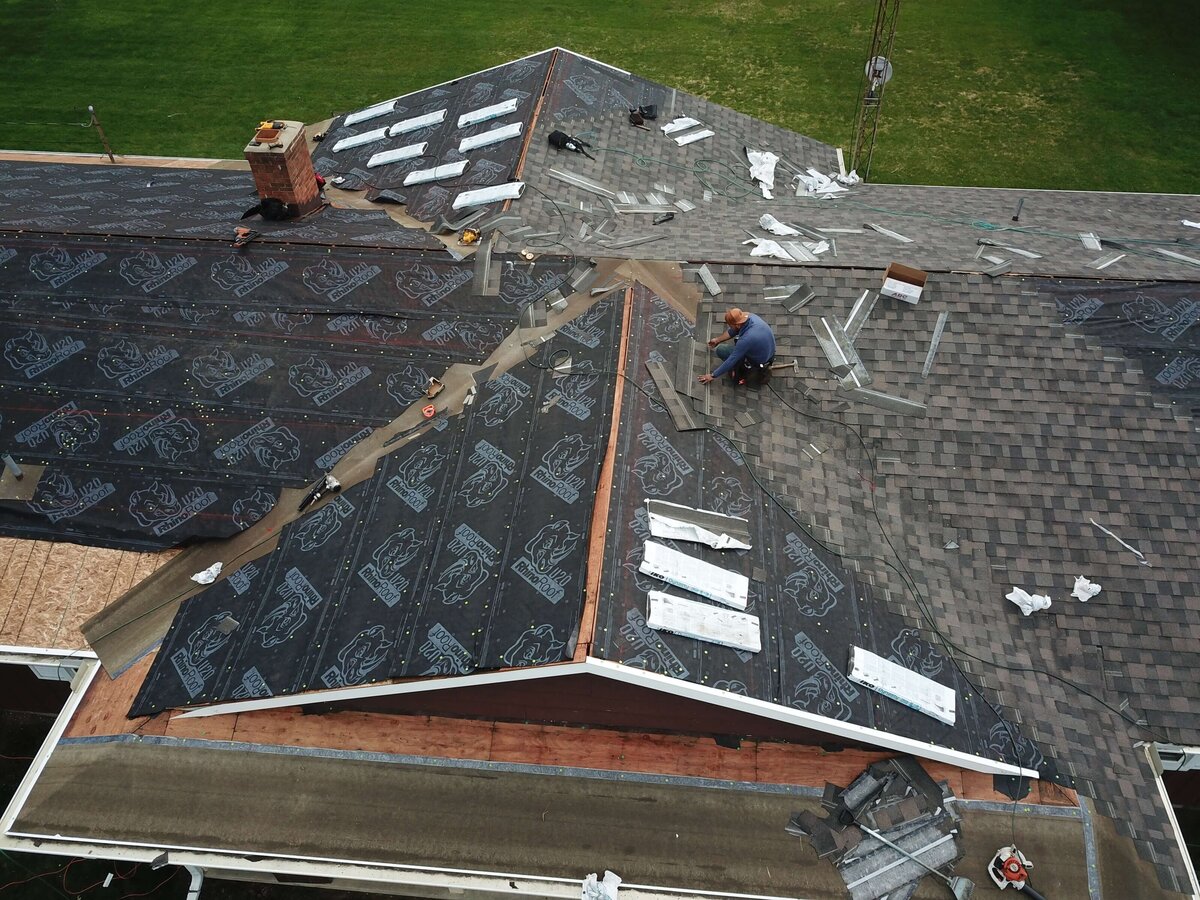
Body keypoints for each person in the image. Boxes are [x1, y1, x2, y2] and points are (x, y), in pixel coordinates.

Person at [699, 308, 776, 385]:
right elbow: (733, 331)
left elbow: (733, 358)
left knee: (721, 350)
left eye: (730, 325)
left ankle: (742, 369)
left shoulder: (746, 339)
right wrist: (717, 340)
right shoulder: (751, 317)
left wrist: (712, 375)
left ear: (737, 325)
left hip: (757, 361)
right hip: (769, 353)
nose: (730, 327)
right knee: (737, 340)